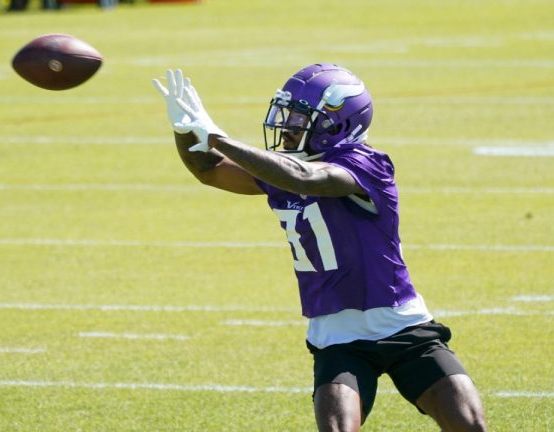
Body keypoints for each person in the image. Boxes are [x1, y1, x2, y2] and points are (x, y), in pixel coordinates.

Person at [152, 64, 488, 432]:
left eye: (298, 117)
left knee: (470, 426)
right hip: (337, 338)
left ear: (336, 123)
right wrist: (185, 130)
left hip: (402, 327)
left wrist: (218, 136)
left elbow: (308, 178)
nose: (288, 125)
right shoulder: (284, 167)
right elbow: (209, 170)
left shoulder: (366, 164)